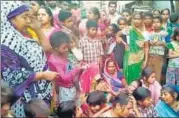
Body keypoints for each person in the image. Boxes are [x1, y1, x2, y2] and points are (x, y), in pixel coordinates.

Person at [1, 1, 58, 117]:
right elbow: (12, 75)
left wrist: (37, 29)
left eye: (28, 17)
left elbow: (47, 49)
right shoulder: (6, 43)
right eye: (24, 17)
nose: (28, 21)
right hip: (25, 102)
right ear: (9, 19)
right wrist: (42, 75)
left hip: (39, 96)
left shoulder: (23, 36)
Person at [48, 31, 83, 103]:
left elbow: (71, 66)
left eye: (67, 47)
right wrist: (76, 69)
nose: (67, 49)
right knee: (68, 108)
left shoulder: (64, 53)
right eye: (64, 48)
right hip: (65, 90)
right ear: (56, 48)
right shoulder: (53, 61)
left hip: (74, 86)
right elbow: (64, 78)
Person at [123, 12, 149, 85]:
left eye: (139, 19)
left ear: (142, 20)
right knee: (128, 75)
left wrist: (145, 60)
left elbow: (146, 47)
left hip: (140, 57)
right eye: (135, 19)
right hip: (129, 56)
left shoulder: (145, 33)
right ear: (132, 19)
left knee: (137, 76)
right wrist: (123, 42)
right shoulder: (128, 29)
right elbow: (117, 34)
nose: (137, 21)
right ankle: (128, 92)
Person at [147, 16, 168, 83]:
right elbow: (146, 45)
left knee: (157, 75)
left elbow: (170, 46)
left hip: (159, 57)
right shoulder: (150, 34)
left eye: (158, 22)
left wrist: (162, 43)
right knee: (149, 74)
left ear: (161, 24)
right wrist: (149, 43)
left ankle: (157, 90)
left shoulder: (165, 33)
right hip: (150, 56)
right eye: (154, 22)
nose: (155, 24)